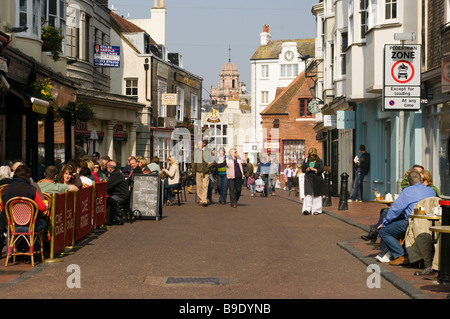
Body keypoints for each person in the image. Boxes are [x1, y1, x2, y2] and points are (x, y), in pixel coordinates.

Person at [377, 170, 435, 266]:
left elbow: (395, 210)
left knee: (384, 231)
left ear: (408, 183)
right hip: (429, 222)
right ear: (421, 180)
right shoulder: (430, 190)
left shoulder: (407, 191)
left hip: (412, 223)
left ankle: (402, 255)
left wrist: (384, 223)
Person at [1, 165, 47, 234]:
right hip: (29, 225)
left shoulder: (5, 189)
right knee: (43, 222)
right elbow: (42, 207)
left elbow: (2, 207)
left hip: (11, 225)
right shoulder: (32, 189)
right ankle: (34, 243)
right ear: (28, 177)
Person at [301, 147, 325, 215]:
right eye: (310, 155)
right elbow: (303, 169)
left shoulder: (319, 160)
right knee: (308, 194)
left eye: (313, 155)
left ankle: (316, 210)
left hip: (317, 178)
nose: (312, 156)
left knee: (317, 194)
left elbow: (321, 169)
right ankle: (307, 209)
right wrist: (307, 170)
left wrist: (315, 170)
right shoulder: (306, 160)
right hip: (308, 178)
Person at [105, 161, 130, 225]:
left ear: (110, 168)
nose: (106, 169)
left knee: (109, 201)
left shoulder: (116, 175)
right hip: (118, 193)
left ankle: (109, 219)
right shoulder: (116, 173)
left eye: (107, 167)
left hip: (121, 195)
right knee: (109, 200)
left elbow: (108, 185)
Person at [192, 141, 214, 206]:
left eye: (200, 143)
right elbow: (192, 160)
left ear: (203, 144)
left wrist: (209, 165)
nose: (198, 145)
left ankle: (204, 200)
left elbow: (214, 160)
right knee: (199, 187)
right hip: (197, 172)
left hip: (206, 172)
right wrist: (193, 168)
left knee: (205, 186)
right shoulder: (195, 152)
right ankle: (202, 199)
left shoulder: (208, 152)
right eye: (198, 143)